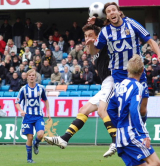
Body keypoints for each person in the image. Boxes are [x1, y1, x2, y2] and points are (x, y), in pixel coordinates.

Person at [45, 24, 118, 158]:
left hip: (113, 80)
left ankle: (115, 141)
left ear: (98, 36)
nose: (87, 38)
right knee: (83, 110)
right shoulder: (93, 50)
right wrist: (90, 41)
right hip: (105, 84)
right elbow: (91, 51)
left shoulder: (105, 44)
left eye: (90, 35)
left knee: (103, 110)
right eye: (85, 36)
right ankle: (64, 139)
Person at [87, 2, 160, 124]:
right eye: (108, 11)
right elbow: (94, 51)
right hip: (119, 74)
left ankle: (141, 128)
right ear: (107, 17)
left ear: (119, 11)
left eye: (113, 10)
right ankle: (124, 135)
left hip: (138, 71)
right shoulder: (105, 32)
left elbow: (150, 41)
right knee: (124, 107)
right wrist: (91, 44)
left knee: (143, 109)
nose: (112, 12)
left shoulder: (131, 23)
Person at [107, 54, 160, 166]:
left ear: (128, 70)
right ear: (143, 71)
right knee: (155, 163)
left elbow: (110, 109)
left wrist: (119, 125)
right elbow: (133, 110)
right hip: (131, 134)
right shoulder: (138, 87)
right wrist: (143, 134)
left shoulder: (119, 86)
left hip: (121, 135)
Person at [15, 69, 50, 163]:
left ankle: (36, 143)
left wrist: (48, 113)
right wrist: (21, 111)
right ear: (27, 77)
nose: (31, 77)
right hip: (27, 117)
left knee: (40, 134)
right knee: (29, 137)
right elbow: (17, 102)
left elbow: (45, 100)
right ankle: (29, 158)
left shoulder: (41, 88)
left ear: (35, 77)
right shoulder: (23, 89)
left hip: (38, 116)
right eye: (29, 75)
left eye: (33, 75)